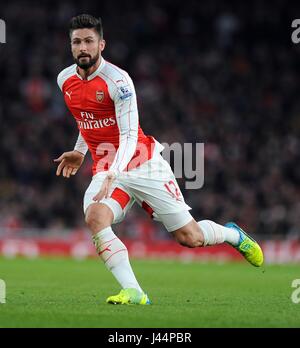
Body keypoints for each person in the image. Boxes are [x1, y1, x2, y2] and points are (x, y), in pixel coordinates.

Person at [54, 14, 263, 305]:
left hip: (142, 162)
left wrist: (114, 173)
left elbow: (128, 135)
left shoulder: (119, 81)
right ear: (71, 46)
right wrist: (79, 150)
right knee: (96, 217)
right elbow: (85, 118)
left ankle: (231, 235)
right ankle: (134, 291)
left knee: (190, 238)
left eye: (89, 41)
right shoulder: (65, 79)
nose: (83, 47)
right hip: (106, 165)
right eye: (77, 42)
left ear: (102, 44)